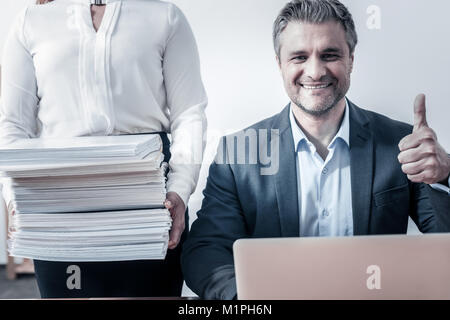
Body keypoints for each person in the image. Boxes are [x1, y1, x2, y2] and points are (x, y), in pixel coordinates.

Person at [181, 0, 450, 300]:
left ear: (351, 60)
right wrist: (249, 300)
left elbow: (444, 239)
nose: (315, 71)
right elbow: (206, 251)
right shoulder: (238, 153)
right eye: (299, 57)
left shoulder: (401, 144)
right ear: (279, 64)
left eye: (329, 55)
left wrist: (445, 174)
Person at [0, 0, 207, 297]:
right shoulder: (31, 21)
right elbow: (12, 126)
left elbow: (190, 114)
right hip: (60, 207)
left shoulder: (165, 17)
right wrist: (16, 199)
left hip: (148, 204)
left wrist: (180, 191)